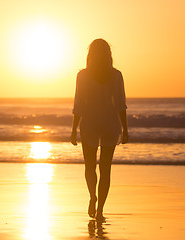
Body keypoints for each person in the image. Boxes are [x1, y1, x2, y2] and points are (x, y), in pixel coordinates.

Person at [71, 38, 129, 221]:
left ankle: (93, 197)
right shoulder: (116, 75)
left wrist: (73, 130)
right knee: (106, 169)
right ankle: (100, 210)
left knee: (90, 167)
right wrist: (125, 129)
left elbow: (78, 104)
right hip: (110, 124)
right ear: (108, 54)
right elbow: (121, 105)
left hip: (89, 123)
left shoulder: (83, 75)